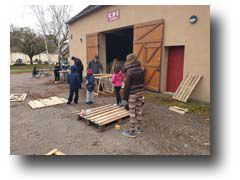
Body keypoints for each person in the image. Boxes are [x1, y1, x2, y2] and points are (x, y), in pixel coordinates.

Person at [121, 53, 145, 138]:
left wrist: (124, 98)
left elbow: (127, 86)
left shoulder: (129, 71)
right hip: (141, 92)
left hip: (132, 94)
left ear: (129, 60)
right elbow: (143, 82)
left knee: (132, 112)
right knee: (139, 110)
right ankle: (139, 128)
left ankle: (132, 131)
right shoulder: (141, 69)